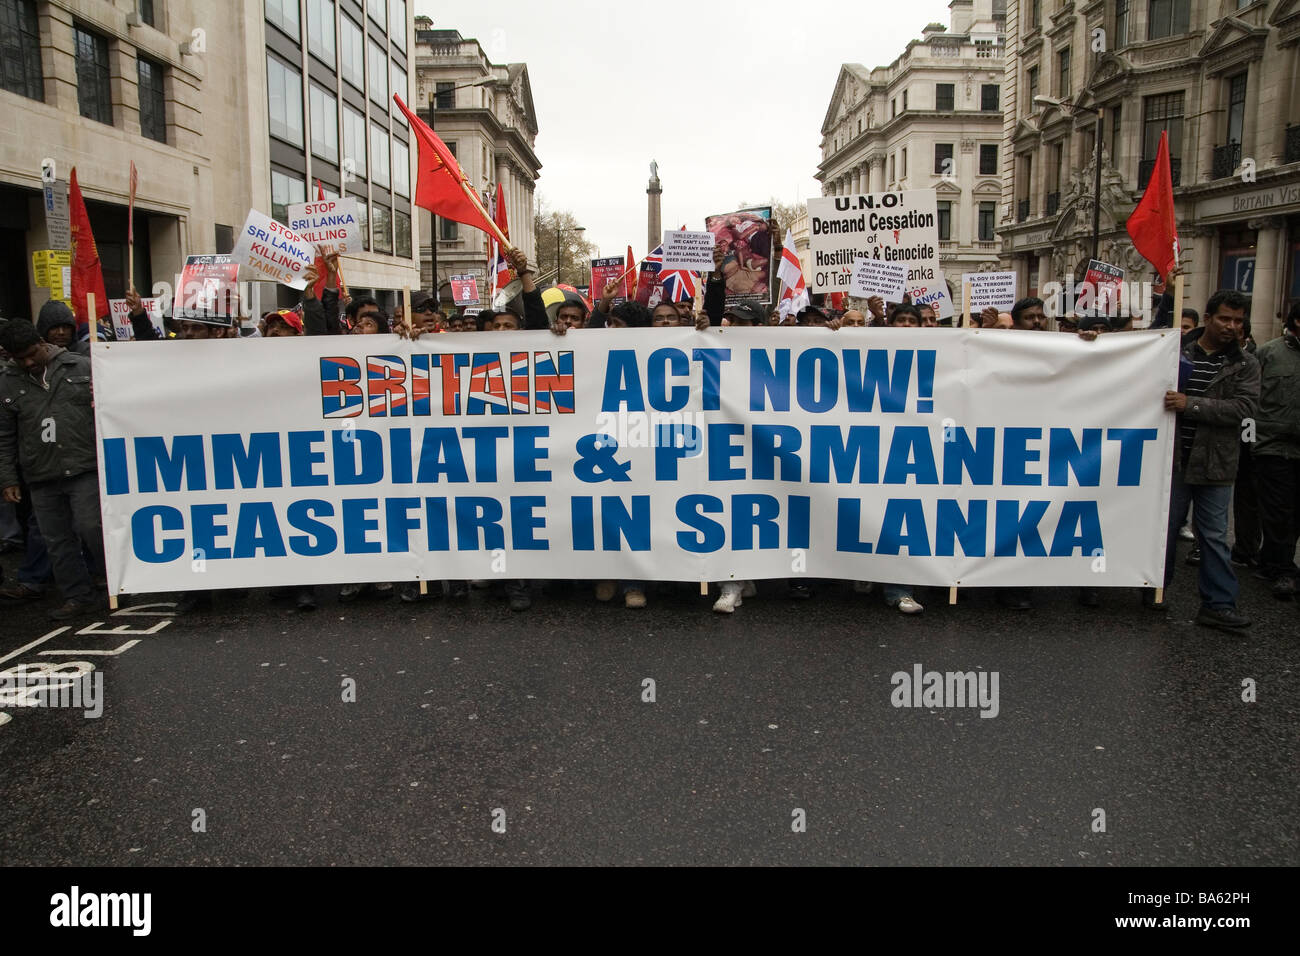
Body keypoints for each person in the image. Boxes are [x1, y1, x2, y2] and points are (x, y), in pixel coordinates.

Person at [1159, 290, 1259, 630]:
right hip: (1171, 460)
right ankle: (1155, 589)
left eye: (1238, 321)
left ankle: (1218, 604)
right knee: (1165, 528)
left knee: (1214, 535)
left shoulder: (1245, 363)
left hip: (1215, 462)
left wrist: (1193, 404)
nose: (1231, 326)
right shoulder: (1174, 350)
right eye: (1225, 319)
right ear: (1208, 318)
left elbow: (1244, 409)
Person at [0, 318, 105, 621]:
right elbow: (4, 435)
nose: (29, 362)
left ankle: (113, 581)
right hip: (41, 473)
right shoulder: (8, 382)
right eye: (21, 358)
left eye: (33, 353)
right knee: (56, 541)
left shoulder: (81, 367)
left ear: (42, 342)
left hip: (84, 466)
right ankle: (78, 596)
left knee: (91, 526)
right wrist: (8, 478)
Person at [1252, 301, 1300, 599]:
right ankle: (1283, 570)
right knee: (1279, 511)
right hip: (1273, 447)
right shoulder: (1269, 353)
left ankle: (1272, 561)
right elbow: (1250, 396)